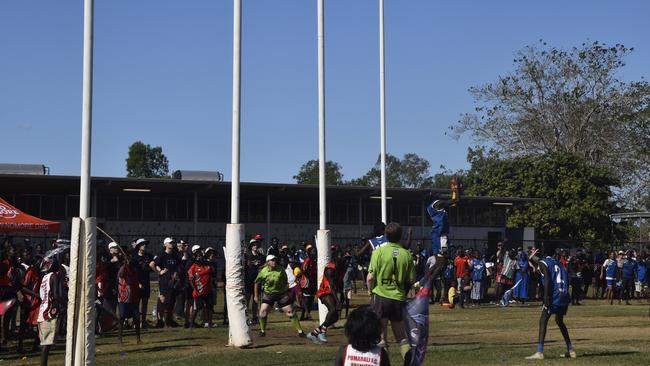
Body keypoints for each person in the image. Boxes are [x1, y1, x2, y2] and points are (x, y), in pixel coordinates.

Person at [367, 222, 416, 359]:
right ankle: (409, 362)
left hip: (381, 296)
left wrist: (371, 292)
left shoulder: (379, 252)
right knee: (401, 335)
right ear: (400, 236)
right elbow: (411, 280)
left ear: (386, 235)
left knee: (381, 337)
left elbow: (370, 277)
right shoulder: (407, 254)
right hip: (398, 298)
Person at [526, 247, 575, 360]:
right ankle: (571, 350)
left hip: (554, 296)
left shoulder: (544, 262)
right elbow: (567, 279)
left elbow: (547, 279)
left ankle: (539, 352)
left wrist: (546, 297)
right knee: (559, 321)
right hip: (564, 295)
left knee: (543, 320)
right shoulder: (560, 264)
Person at [254, 254, 306, 338]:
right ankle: (262, 331)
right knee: (262, 312)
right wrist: (256, 296)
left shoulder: (281, 269)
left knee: (290, 312)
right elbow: (256, 282)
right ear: (268, 262)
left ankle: (300, 332)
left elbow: (285, 280)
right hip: (269, 294)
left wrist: (285, 289)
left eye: (275, 260)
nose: (274, 261)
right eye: (272, 260)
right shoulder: (263, 272)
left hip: (281, 294)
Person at [37, 256, 66, 366]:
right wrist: (66, 303)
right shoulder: (54, 276)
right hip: (49, 313)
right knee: (47, 344)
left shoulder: (45, 277)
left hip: (42, 312)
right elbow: (57, 295)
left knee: (46, 343)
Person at [306, 260, 340, 344]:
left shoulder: (338, 269)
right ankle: (323, 331)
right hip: (324, 292)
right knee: (332, 309)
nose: (347, 261)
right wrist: (338, 300)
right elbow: (331, 286)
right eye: (345, 259)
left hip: (331, 293)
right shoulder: (330, 270)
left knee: (335, 317)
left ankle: (314, 333)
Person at [154, 237, 181, 328]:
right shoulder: (162, 254)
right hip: (164, 281)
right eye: (169, 243)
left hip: (173, 281)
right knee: (163, 300)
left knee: (171, 301)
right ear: (165, 244)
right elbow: (155, 264)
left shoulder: (175, 254)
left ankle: (169, 320)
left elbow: (178, 265)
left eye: (172, 243)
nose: (171, 244)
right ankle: (160, 321)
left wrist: (176, 274)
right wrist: (159, 271)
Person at [117, 252, 141, 344]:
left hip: (133, 297)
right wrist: (125, 264)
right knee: (122, 317)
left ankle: (138, 339)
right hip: (123, 297)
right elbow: (121, 274)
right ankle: (120, 340)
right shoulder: (122, 269)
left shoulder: (134, 269)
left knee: (137, 317)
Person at [187, 245, 214, 328]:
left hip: (208, 290)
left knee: (209, 307)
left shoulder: (207, 264)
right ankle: (191, 324)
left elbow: (212, 272)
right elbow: (191, 279)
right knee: (197, 307)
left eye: (201, 256)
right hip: (199, 291)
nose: (200, 257)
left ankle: (209, 323)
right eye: (198, 256)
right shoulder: (193, 267)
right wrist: (195, 289)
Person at [131, 238, 154, 329]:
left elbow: (154, 263)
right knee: (136, 304)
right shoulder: (134, 257)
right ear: (138, 246)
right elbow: (132, 272)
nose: (145, 246)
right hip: (137, 283)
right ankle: (135, 322)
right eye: (143, 244)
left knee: (145, 303)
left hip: (146, 282)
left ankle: (143, 322)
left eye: (145, 244)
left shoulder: (148, 256)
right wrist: (137, 283)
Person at [244, 239, 264, 324]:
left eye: (256, 245)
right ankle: (246, 317)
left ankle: (254, 317)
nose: (255, 246)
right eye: (253, 245)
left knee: (256, 299)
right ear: (251, 246)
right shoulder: (247, 255)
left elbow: (263, 265)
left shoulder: (260, 256)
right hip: (249, 280)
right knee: (247, 299)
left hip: (257, 280)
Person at [300, 244, 317, 320]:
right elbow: (304, 270)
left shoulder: (314, 261)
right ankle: (304, 314)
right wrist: (310, 277)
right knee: (306, 299)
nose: (315, 253)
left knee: (311, 299)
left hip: (312, 282)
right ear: (309, 252)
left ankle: (307, 315)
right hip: (306, 283)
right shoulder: (307, 260)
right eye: (314, 252)